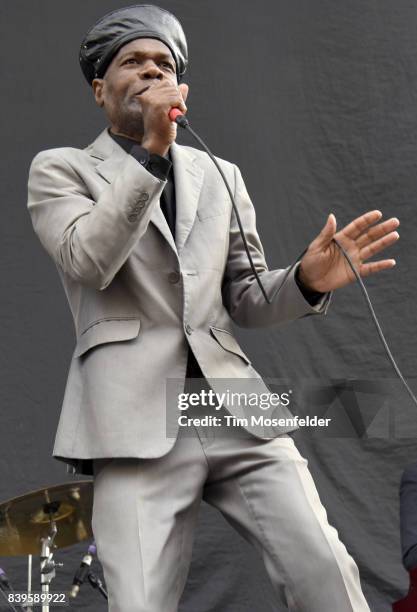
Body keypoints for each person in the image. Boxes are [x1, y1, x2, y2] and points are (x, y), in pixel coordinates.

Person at [27, 5, 399, 611]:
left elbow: (247, 300)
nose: (152, 72)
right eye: (133, 62)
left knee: (326, 571)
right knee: (141, 600)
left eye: (164, 64)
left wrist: (306, 279)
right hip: (132, 417)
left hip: (234, 404)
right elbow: (87, 261)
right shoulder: (61, 169)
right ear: (100, 89)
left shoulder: (219, 174)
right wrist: (150, 154)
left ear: (183, 88)